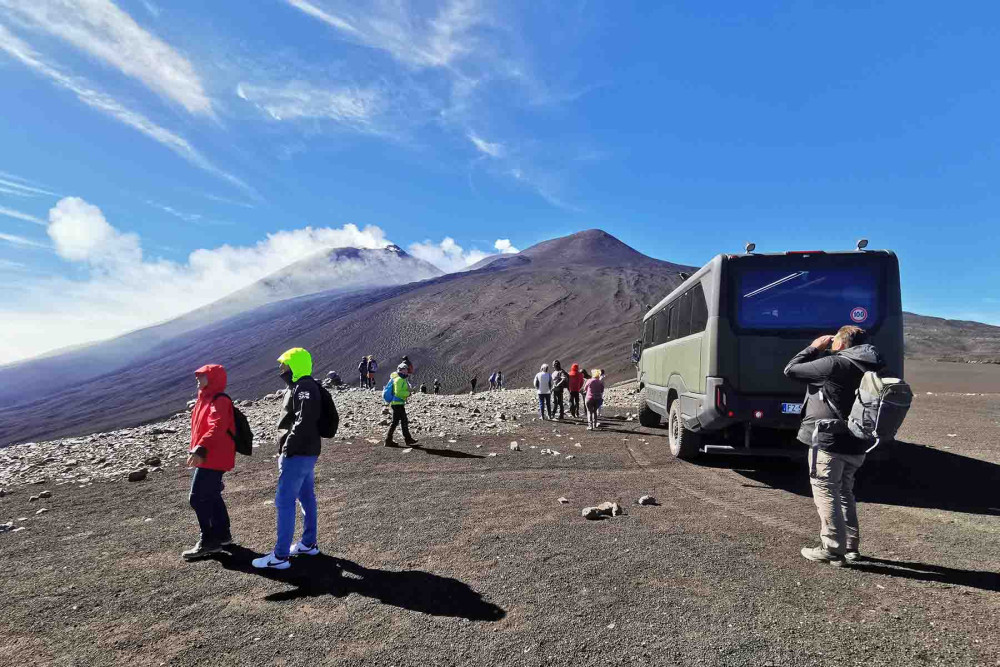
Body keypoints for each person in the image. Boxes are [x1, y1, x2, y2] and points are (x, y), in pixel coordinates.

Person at [784, 325, 884, 566]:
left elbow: (791, 370)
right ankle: (851, 546)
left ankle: (831, 548)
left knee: (826, 490)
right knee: (844, 492)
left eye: (833, 344)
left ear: (839, 344)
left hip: (830, 441)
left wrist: (814, 347)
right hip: (858, 442)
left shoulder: (836, 364)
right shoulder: (873, 366)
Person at [253, 348, 323, 570]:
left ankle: (280, 556)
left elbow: (304, 420)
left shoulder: (303, 386)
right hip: (306, 452)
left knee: (284, 501)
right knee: (305, 496)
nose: (280, 369)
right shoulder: (303, 385)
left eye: (284, 365)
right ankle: (308, 544)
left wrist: (288, 447)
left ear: (295, 365)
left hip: (297, 454)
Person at [182, 364, 236, 560]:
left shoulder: (218, 400)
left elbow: (217, 425)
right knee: (212, 495)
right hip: (211, 455)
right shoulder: (204, 399)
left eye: (202, 375)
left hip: (213, 456)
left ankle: (209, 540)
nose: (198, 378)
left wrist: (200, 447)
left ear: (212, 378)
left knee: (197, 498)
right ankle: (222, 535)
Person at [386, 362, 418, 447]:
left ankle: (390, 440)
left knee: (398, 421)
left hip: (397, 403)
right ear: (402, 370)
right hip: (397, 403)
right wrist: (408, 393)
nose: (407, 371)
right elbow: (398, 393)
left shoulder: (399, 379)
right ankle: (406, 439)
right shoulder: (399, 379)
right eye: (406, 369)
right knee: (400, 421)